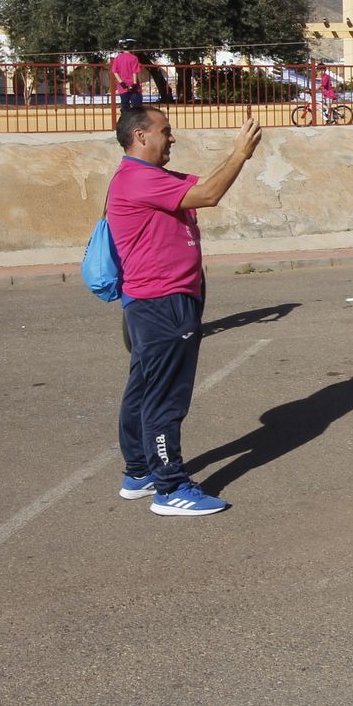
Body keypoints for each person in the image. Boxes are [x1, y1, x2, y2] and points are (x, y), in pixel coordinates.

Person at [109, 106, 262, 516]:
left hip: (154, 301)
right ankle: (170, 488)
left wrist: (233, 159)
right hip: (164, 302)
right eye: (165, 130)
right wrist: (240, 153)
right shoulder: (139, 178)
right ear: (140, 136)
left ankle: (139, 472)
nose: (171, 137)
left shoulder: (149, 177)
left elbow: (207, 184)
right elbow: (210, 195)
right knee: (165, 398)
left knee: (143, 387)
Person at [111, 40, 143, 115]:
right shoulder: (134, 58)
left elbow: (114, 71)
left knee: (125, 107)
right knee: (137, 108)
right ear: (131, 47)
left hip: (122, 87)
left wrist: (121, 83)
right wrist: (134, 84)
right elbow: (134, 71)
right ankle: (136, 124)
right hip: (134, 87)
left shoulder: (117, 58)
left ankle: (125, 123)